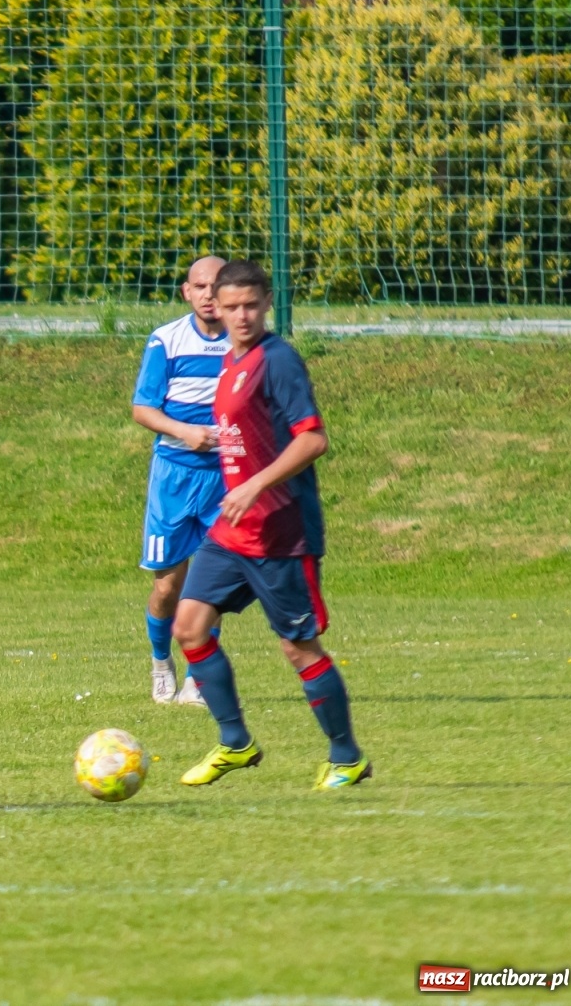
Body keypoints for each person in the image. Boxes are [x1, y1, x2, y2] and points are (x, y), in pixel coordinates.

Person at [171, 260, 370, 791]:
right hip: (233, 531)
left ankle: (346, 756)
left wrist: (255, 484)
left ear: (267, 303)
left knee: (297, 649)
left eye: (250, 305)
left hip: (281, 532)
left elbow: (312, 439)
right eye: (231, 305)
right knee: (188, 627)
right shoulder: (232, 362)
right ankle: (236, 743)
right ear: (213, 302)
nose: (240, 315)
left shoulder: (277, 360)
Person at [131, 256, 229, 705]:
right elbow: (142, 409)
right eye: (201, 286)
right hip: (173, 476)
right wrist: (186, 432)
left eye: (217, 285)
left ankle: (198, 678)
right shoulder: (165, 341)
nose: (210, 294)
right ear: (186, 291)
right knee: (168, 586)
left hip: (225, 480)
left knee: (208, 582)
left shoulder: (246, 343)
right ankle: (159, 662)